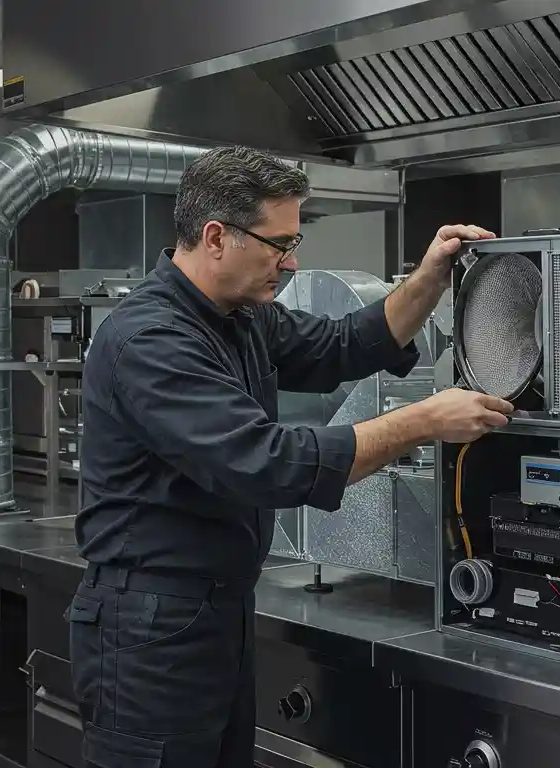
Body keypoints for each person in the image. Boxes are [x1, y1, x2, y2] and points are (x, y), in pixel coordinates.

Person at [70, 145, 513, 768]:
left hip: (214, 611)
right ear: (217, 236)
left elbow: (348, 344)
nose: (291, 259)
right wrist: (423, 421)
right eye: (278, 243)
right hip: (151, 628)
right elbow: (268, 463)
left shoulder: (241, 316)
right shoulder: (153, 339)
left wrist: (430, 278)